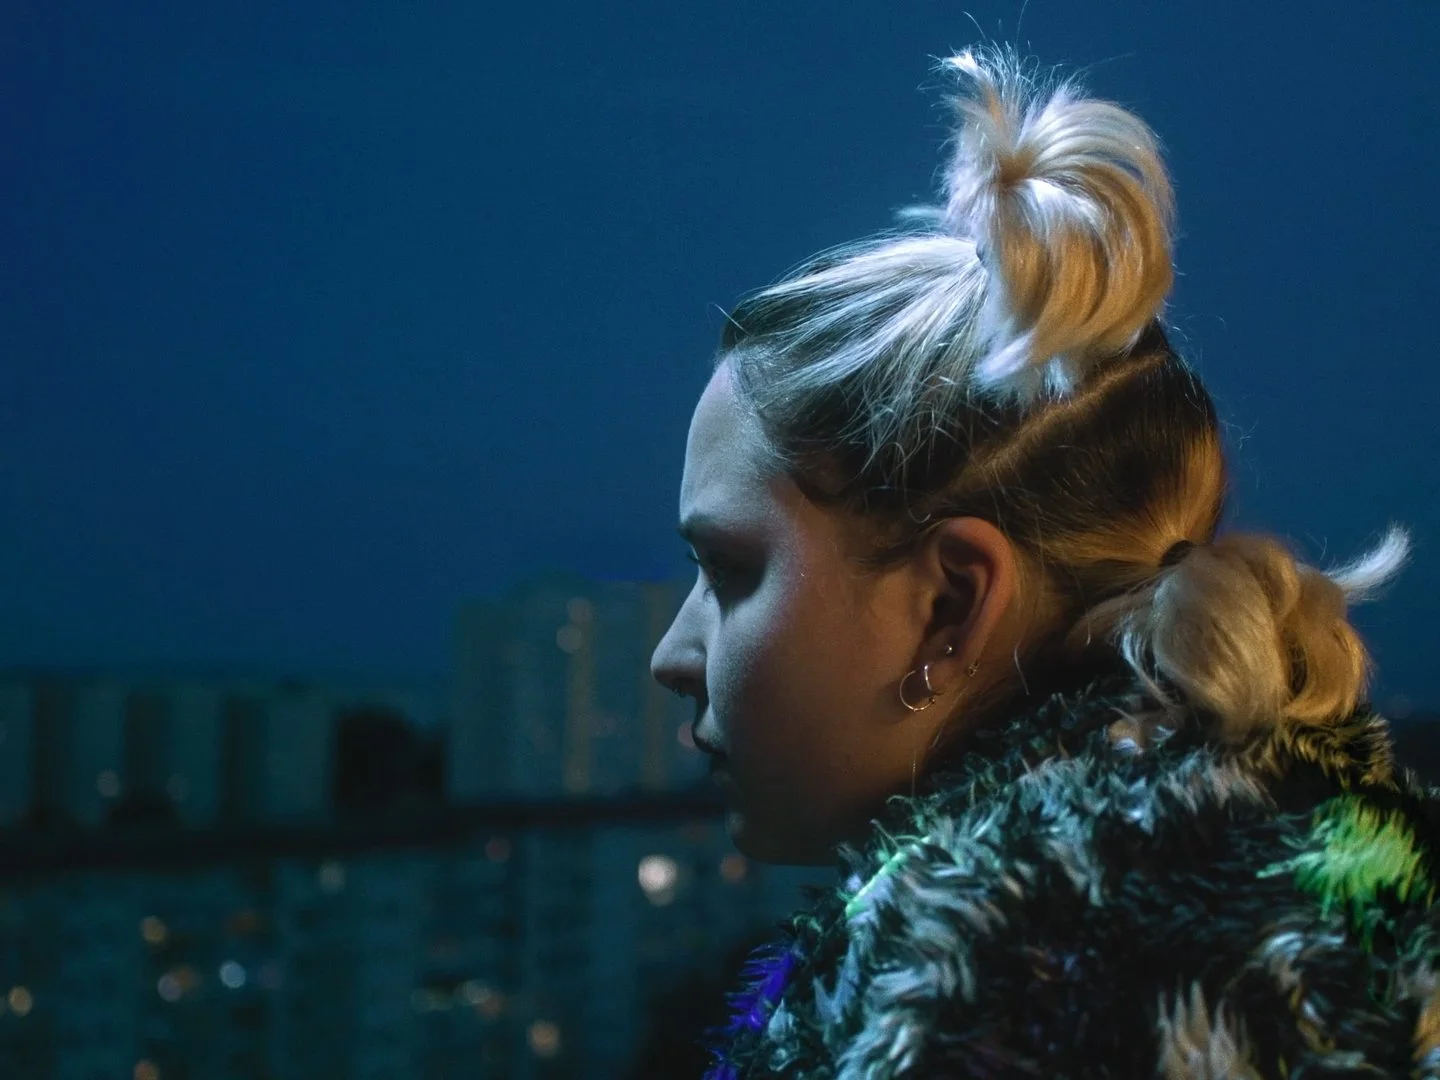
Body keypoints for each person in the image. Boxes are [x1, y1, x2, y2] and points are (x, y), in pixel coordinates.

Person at [649, 43, 1437, 1079]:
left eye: (727, 571)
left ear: (950, 605)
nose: (673, 654)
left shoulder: (1003, 1005)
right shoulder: (1325, 904)